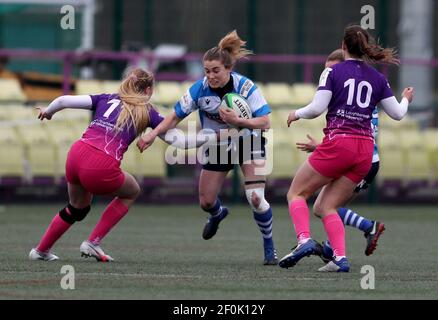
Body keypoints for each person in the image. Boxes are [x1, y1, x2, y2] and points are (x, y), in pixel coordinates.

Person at [278, 25, 414, 272]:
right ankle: (340, 258)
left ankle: (304, 240)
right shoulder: (378, 78)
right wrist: (406, 98)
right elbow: (397, 114)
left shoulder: (332, 72)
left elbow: (317, 108)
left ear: (343, 46)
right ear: (364, 48)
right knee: (326, 207)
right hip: (365, 152)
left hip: (340, 142)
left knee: (296, 193)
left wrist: (296, 113)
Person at [137, 30, 278, 265]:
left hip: (249, 140)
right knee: (206, 201)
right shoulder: (199, 89)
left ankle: (269, 246)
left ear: (228, 69)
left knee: (255, 197)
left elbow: (265, 122)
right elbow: (173, 118)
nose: (210, 76)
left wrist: (239, 122)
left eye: (216, 71)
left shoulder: (246, 87)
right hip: (218, 144)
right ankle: (217, 214)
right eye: (207, 71)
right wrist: (152, 134)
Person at [29, 68, 165, 262]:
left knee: (78, 207)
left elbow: (62, 100)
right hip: (100, 164)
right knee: (132, 191)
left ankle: (41, 250)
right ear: (149, 90)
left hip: (76, 154)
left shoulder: (106, 98)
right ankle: (93, 242)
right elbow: (177, 139)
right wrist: (207, 138)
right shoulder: (149, 111)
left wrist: (48, 112)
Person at [296, 49, 384, 259]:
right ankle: (331, 249)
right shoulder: (355, 97)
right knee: (327, 207)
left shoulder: (356, 100)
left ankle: (368, 227)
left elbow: (356, 135)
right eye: (325, 71)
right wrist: (321, 147)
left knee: (323, 207)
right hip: (360, 158)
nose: (327, 76)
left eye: (332, 70)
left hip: (362, 161)